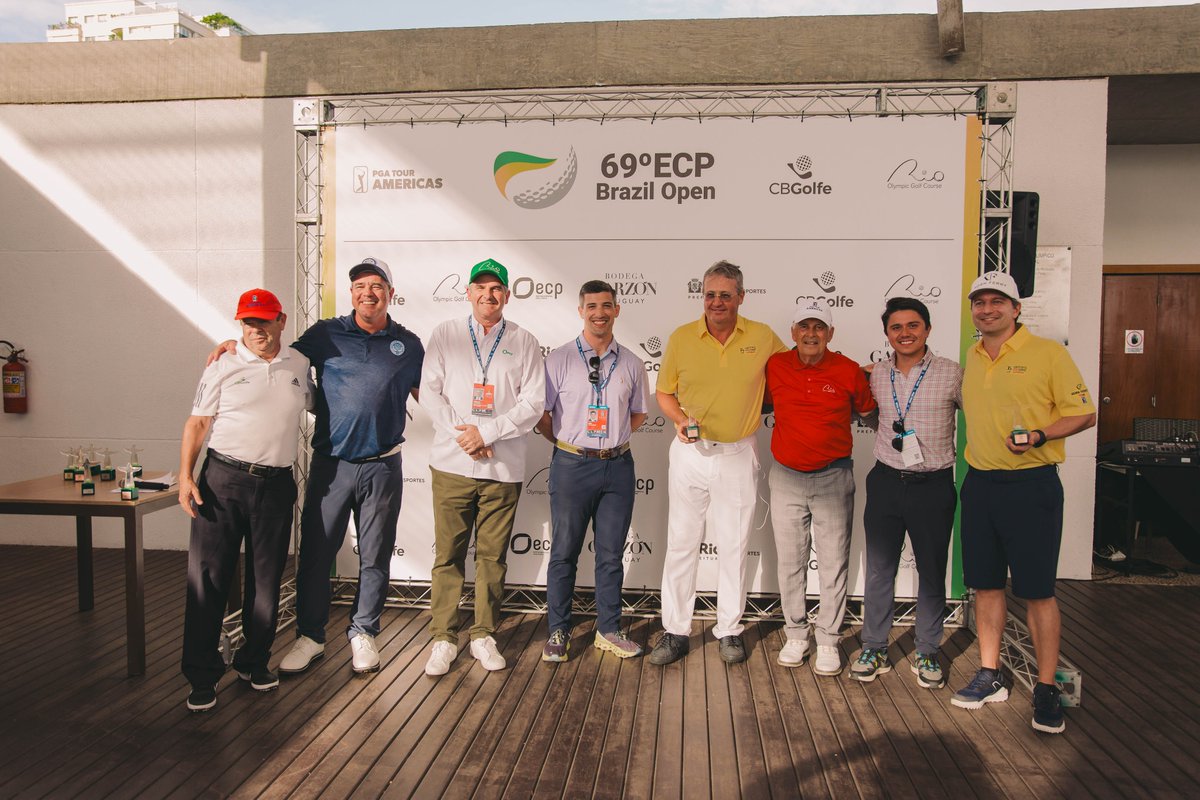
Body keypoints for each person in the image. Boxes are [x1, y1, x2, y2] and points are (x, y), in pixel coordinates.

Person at [214, 258, 422, 676]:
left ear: (390, 293)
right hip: (332, 465)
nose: (369, 292)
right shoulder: (325, 333)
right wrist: (231, 346)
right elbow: (273, 354)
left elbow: (432, 393)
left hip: (383, 467)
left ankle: (364, 632)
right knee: (315, 554)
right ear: (351, 294)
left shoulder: (408, 344)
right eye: (360, 285)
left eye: (377, 285)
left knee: (376, 555)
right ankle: (311, 637)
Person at [952, 271, 1095, 735]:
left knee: (1037, 591)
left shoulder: (1048, 353)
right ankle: (991, 674)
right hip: (980, 485)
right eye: (980, 302)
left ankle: (1047, 686)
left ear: (1016, 309)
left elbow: (1084, 413)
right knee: (987, 586)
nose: (987, 309)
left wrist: (1039, 435)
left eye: (997, 301)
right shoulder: (970, 357)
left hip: (1032, 485)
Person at [178, 288, 312, 712]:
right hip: (223, 480)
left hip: (275, 484)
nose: (256, 330)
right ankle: (202, 675)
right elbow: (198, 423)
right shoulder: (223, 362)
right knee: (209, 579)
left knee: (266, 582)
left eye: (264, 321)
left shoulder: (300, 363)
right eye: (248, 323)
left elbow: (313, 403)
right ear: (241, 325)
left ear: (281, 321)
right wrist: (185, 477)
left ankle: (253, 662)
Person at [648, 260, 787, 666]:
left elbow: (795, 370)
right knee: (681, 544)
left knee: (734, 546)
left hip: (738, 454)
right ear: (702, 296)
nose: (717, 302)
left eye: (726, 295)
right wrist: (678, 420)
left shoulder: (762, 337)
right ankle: (675, 631)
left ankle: (729, 630)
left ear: (741, 297)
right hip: (690, 454)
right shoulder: (681, 337)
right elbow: (664, 392)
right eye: (710, 294)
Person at [420, 258, 545, 676]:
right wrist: (465, 435)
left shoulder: (524, 340)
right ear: (469, 292)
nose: (488, 295)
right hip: (452, 464)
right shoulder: (446, 334)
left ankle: (483, 634)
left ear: (507, 296)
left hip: (501, 467)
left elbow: (533, 403)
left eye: (497, 289)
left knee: (492, 557)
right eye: (481, 288)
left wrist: (486, 433)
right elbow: (431, 394)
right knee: (449, 555)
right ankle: (443, 637)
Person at [849, 296, 962, 689]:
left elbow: (985, 413)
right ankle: (874, 646)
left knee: (931, 572)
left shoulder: (953, 374)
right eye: (896, 327)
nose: (905, 333)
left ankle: (928, 650)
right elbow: (859, 409)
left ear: (928, 329)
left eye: (913, 325)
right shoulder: (875, 374)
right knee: (880, 569)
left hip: (933, 485)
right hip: (885, 482)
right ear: (886, 334)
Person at [537, 279, 650, 662]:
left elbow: (637, 414)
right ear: (581, 310)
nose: (599, 313)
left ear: (617, 309)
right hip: (571, 465)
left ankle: (609, 630)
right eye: (592, 306)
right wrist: (575, 444)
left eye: (606, 305)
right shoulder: (558, 359)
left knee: (609, 554)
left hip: (617, 467)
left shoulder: (632, 362)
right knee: (564, 551)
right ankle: (558, 630)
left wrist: (609, 442)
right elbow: (543, 416)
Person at [765, 300, 877, 677]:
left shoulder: (848, 370)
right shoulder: (775, 365)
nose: (811, 334)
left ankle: (828, 639)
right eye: (804, 327)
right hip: (785, 476)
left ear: (830, 334)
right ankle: (796, 633)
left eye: (819, 327)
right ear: (793, 332)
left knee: (832, 562)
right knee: (790, 561)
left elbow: (867, 409)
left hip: (833, 476)